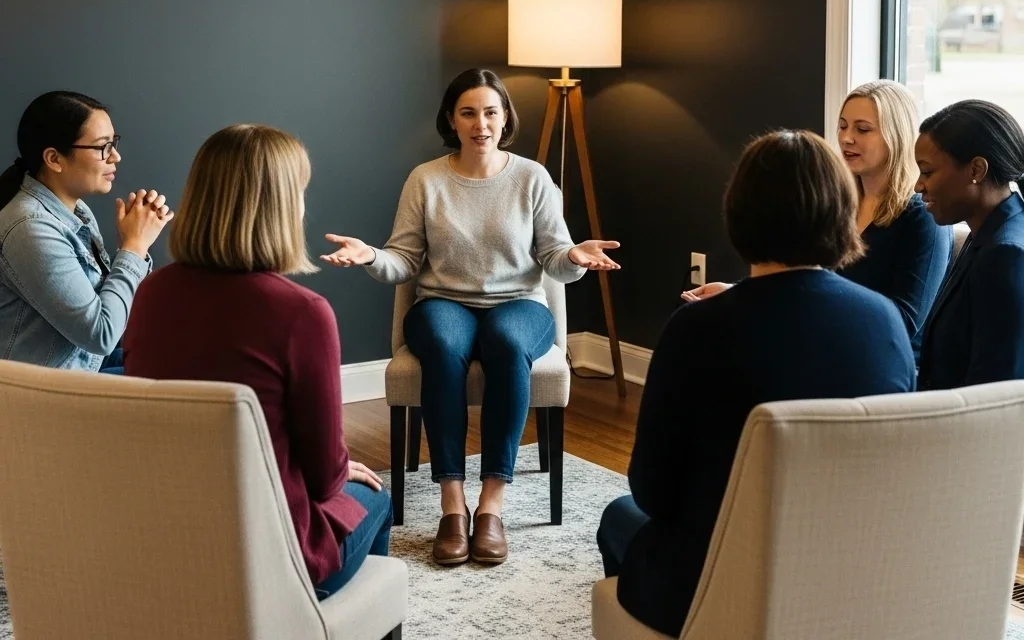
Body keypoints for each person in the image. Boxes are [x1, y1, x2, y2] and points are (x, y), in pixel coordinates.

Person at [598, 130, 915, 637]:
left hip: (732, 577)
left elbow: (653, 491)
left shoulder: (698, 327)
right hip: (849, 571)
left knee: (620, 516)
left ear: (738, 212)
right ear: (840, 211)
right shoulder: (884, 322)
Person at [321, 68, 620, 567]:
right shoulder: (426, 179)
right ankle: (453, 506)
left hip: (519, 304)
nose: (480, 123)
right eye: (468, 113)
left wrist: (575, 257)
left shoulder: (532, 178)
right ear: (451, 121)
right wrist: (371, 255)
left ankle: (491, 508)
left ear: (505, 118)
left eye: (490, 112)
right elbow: (405, 261)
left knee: (505, 342)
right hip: (443, 302)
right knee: (442, 344)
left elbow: (554, 259)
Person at [123, 125, 390, 598]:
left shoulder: (149, 293)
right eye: (301, 192)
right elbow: (326, 478)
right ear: (283, 205)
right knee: (376, 496)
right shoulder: (301, 313)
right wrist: (341, 467)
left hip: (171, 534)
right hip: (269, 551)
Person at [684, 80, 951, 360]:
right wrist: (738, 293)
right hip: (817, 338)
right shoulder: (837, 201)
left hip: (879, 358)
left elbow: (904, 323)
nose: (847, 138)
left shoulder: (921, 217)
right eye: (843, 126)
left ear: (897, 136)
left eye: (862, 129)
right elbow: (803, 279)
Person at [0, 91, 171, 372]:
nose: (115, 156)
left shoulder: (76, 211)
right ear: (54, 159)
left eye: (113, 143)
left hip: (83, 366)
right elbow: (101, 334)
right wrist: (133, 248)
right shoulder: (29, 228)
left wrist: (135, 245)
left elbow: (114, 319)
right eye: (102, 147)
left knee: (191, 365)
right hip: (39, 396)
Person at [915, 100, 1024, 390]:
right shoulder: (985, 233)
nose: (918, 186)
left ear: (976, 169)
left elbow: (995, 392)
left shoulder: (1005, 254)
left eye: (927, 172)